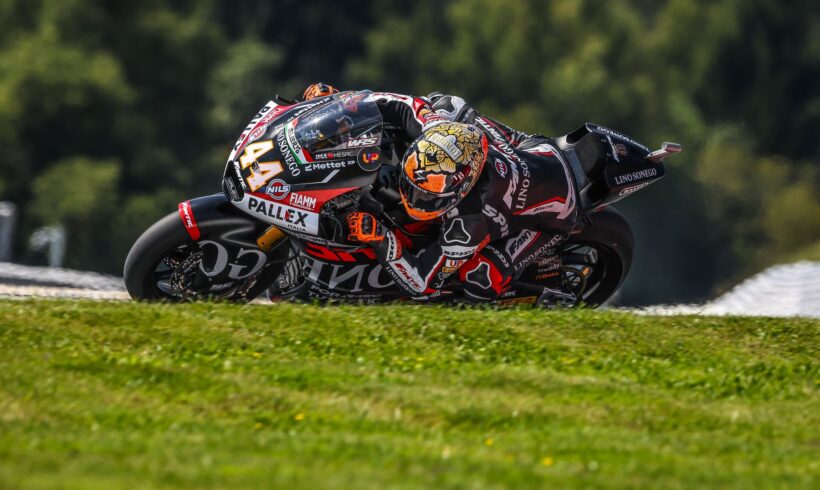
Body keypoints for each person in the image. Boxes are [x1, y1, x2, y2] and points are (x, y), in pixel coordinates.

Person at [301, 83, 579, 304]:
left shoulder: (468, 225)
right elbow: (381, 103)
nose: (413, 198)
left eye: (428, 197)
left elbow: (421, 282)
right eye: (412, 186)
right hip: (533, 149)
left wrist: (381, 238)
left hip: (556, 212)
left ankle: (528, 293)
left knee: (478, 281)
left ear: (459, 191)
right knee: (446, 104)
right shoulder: (432, 126)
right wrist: (336, 105)